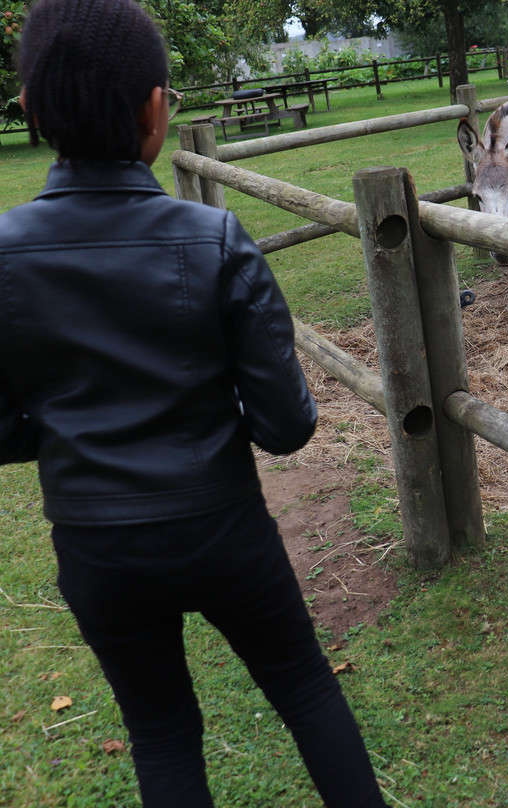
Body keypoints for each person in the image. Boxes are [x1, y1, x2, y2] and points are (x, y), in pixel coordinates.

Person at [0, 0, 388, 806]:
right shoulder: (213, 241)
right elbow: (286, 427)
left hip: (96, 551)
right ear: (155, 108)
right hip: (223, 531)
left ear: (30, 110)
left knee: (162, 732)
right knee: (307, 692)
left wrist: (69, 432)